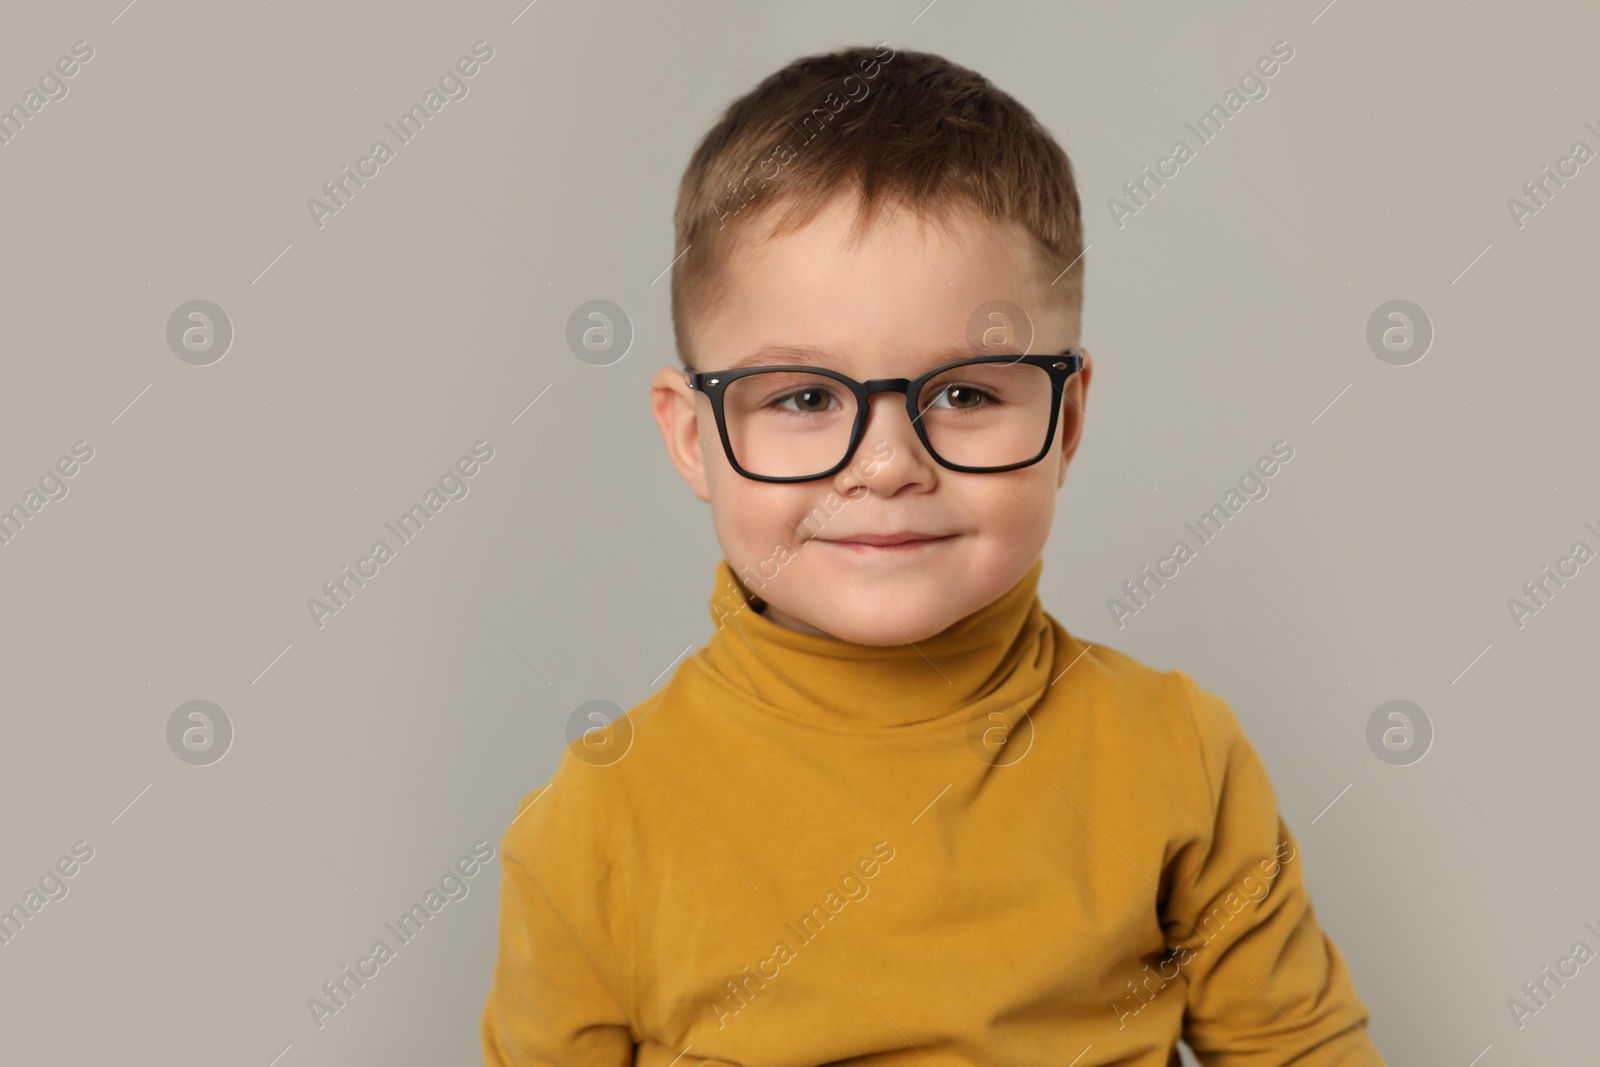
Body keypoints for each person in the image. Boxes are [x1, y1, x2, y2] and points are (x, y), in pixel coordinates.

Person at [481, 41, 1387, 1066]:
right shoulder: (598, 818)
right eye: (805, 397)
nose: (884, 464)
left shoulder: (1179, 755)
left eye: (963, 393)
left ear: (1067, 415)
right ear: (693, 436)